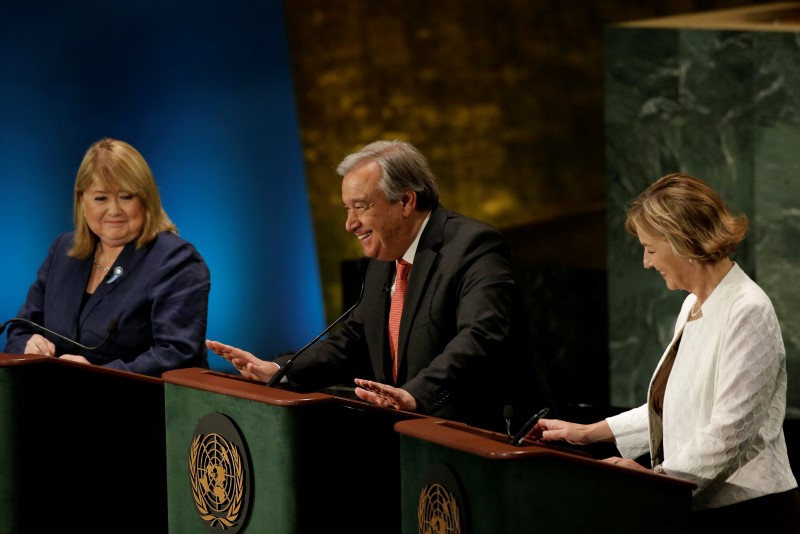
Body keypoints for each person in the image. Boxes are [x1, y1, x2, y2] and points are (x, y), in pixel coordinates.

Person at [207, 139, 549, 431]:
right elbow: (353, 340)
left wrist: (417, 394)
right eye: (347, 209)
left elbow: (481, 337)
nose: (350, 224)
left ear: (405, 201)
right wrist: (280, 369)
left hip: (480, 434)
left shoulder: (474, 246)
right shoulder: (384, 260)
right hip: (408, 437)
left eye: (361, 207)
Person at [530, 173, 800, 531]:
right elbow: (674, 405)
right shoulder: (693, 305)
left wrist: (657, 479)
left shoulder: (747, 309)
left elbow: (731, 430)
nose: (645, 262)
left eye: (651, 249)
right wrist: (586, 433)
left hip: (751, 512)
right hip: (703, 504)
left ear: (685, 242)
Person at [4, 137, 211, 377]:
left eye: (126, 197)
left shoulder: (175, 260)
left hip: (136, 405)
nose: (113, 210)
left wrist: (99, 375)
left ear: (146, 199)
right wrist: (29, 344)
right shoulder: (63, 250)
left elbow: (177, 354)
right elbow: (20, 328)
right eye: (101, 198)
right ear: (82, 201)